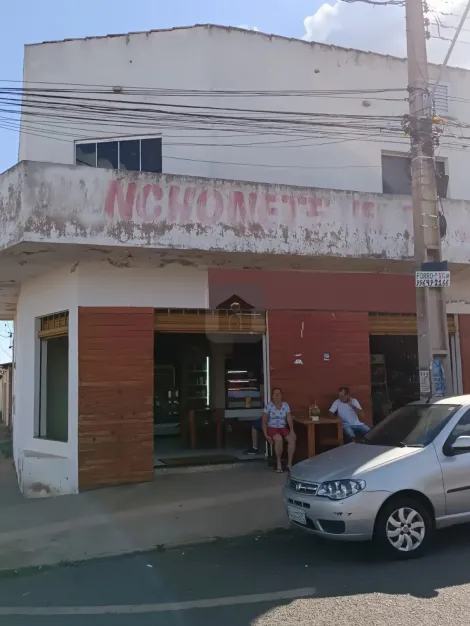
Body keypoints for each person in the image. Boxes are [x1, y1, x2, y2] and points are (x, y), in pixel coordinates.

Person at [262, 387, 296, 473]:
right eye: (275, 394)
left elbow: (289, 419)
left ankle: (289, 464)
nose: (277, 395)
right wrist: (266, 436)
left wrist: (292, 430)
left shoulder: (285, 405)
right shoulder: (268, 406)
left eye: (279, 394)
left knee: (292, 439)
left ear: (282, 396)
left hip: (283, 427)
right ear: (272, 396)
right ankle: (278, 462)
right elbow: (264, 422)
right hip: (272, 428)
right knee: (278, 439)